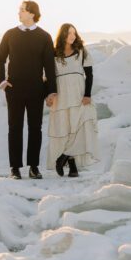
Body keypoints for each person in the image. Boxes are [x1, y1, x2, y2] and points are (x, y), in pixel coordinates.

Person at [0, 0, 57, 180]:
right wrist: (2, 81)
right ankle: (15, 168)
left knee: (35, 128)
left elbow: (49, 67)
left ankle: (33, 167)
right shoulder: (10, 34)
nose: (19, 13)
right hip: (14, 89)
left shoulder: (44, 36)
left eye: (22, 10)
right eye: (19, 10)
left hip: (36, 89)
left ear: (31, 13)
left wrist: (51, 91)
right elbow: (0, 60)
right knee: (14, 128)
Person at [46, 23, 99, 177]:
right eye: (69, 33)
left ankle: (64, 157)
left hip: (78, 93)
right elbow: (49, 76)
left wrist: (87, 94)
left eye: (74, 33)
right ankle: (72, 164)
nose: (72, 36)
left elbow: (89, 75)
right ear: (62, 35)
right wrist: (49, 94)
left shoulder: (81, 52)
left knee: (80, 126)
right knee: (66, 127)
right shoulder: (54, 53)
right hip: (62, 94)